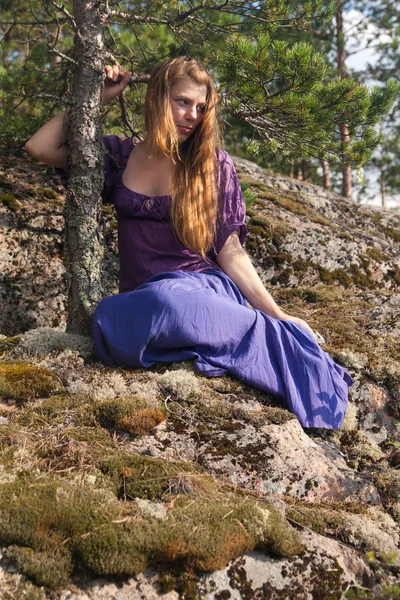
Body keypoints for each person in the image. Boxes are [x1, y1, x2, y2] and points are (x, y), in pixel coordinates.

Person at [25, 56, 352, 429]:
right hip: (144, 297)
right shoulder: (119, 156)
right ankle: (203, 339)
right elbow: (39, 146)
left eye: (201, 107)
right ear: (156, 100)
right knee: (108, 318)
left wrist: (277, 313)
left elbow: (231, 251)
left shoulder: (212, 165)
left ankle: (276, 345)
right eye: (183, 102)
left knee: (172, 300)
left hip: (200, 287)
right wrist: (97, 97)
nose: (192, 115)